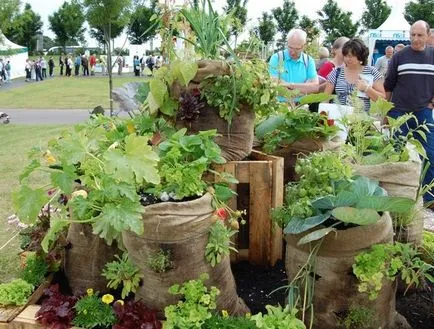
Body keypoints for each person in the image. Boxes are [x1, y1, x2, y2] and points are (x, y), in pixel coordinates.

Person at [384, 20, 434, 205]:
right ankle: (395, 196)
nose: (415, 39)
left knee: (430, 153)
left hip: (423, 112)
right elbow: (389, 86)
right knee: (396, 152)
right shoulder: (400, 56)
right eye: (412, 34)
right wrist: (385, 112)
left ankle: (429, 198)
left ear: (428, 36)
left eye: (420, 35)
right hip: (399, 112)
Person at [324, 38, 385, 112]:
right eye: (346, 55)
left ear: (361, 56)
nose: (348, 59)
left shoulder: (372, 72)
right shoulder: (337, 72)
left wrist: (367, 89)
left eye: (351, 56)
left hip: (360, 120)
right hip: (338, 118)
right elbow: (325, 98)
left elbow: (383, 101)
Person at [268, 28, 319, 96]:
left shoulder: (308, 61)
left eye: (297, 49)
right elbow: (273, 84)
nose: (292, 52)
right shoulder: (277, 58)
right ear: (287, 43)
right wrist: (303, 87)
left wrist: (290, 85)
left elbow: (315, 87)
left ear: (304, 46)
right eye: (290, 47)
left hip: (301, 105)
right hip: (279, 104)